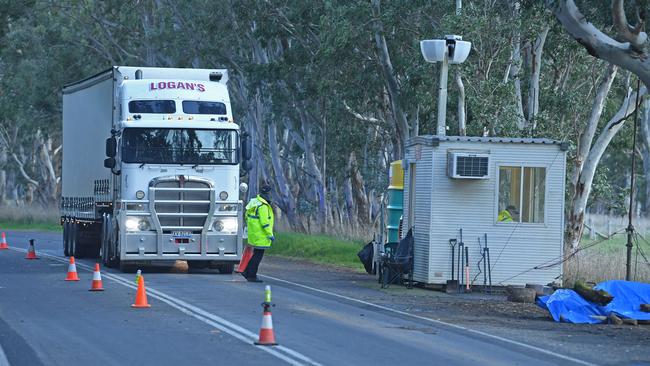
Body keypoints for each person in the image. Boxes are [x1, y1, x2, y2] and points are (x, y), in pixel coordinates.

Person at [242, 183, 275, 282]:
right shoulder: (263, 206)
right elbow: (265, 222)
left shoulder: (254, 202)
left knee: (256, 254)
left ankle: (247, 272)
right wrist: (270, 234)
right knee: (258, 256)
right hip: (262, 235)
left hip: (254, 234)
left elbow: (246, 216)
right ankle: (251, 275)